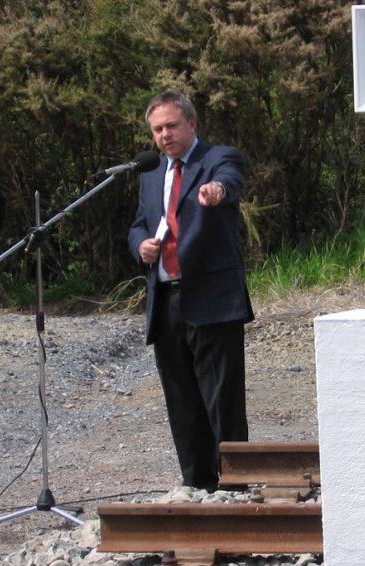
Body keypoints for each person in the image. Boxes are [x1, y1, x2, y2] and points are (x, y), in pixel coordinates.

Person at [128, 90, 253, 491]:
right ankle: (197, 486)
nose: (164, 135)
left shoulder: (217, 158)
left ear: (192, 124)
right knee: (182, 402)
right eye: (157, 129)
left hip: (212, 299)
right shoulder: (150, 174)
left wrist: (217, 191)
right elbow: (138, 225)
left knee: (222, 400)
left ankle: (234, 485)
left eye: (171, 126)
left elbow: (230, 181)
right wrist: (140, 246)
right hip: (166, 300)